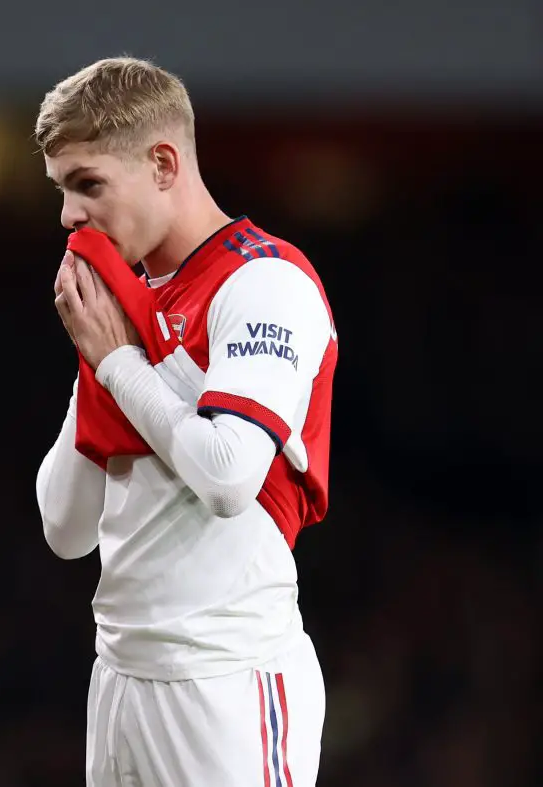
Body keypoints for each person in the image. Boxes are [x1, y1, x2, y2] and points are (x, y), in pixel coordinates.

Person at [34, 57, 338, 786]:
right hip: (120, 676)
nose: (69, 215)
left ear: (164, 164)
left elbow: (230, 474)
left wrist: (121, 365)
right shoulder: (125, 310)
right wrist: (99, 363)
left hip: (226, 681)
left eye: (89, 184)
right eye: (61, 189)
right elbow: (65, 528)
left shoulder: (264, 281)